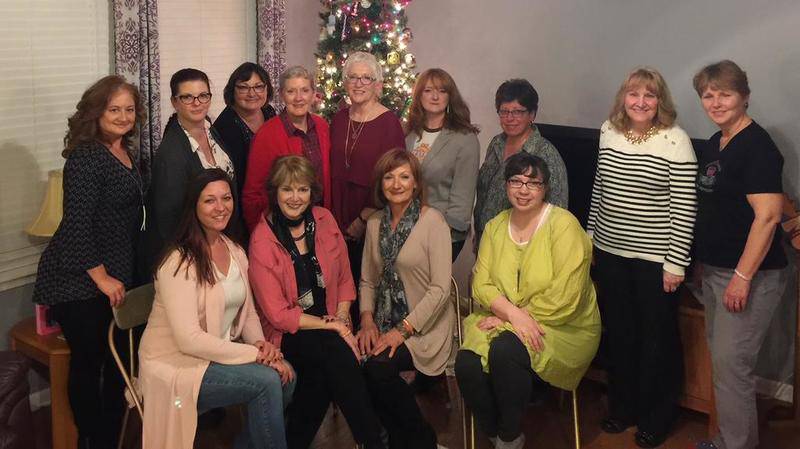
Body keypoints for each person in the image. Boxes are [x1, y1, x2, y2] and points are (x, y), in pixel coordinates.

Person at [139, 169, 295, 449]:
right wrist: (255, 354)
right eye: (209, 200)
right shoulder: (178, 262)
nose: (220, 207)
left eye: (226, 198)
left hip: (212, 357)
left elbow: (246, 312)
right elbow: (188, 339)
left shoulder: (234, 250)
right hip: (175, 365)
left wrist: (262, 345)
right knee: (267, 381)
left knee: (286, 376)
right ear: (194, 206)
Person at [455, 153, 600, 449]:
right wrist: (511, 314)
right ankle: (497, 433)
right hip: (502, 318)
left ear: (545, 187)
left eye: (533, 183)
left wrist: (515, 318)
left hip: (564, 326)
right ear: (506, 186)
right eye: (516, 181)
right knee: (466, 364)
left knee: (505, 351)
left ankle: (509, 438)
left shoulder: (564, 225)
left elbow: (567, 295)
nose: (524, 189)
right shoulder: (496, 226)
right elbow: (481, 283)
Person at [586, 67, 698, 448]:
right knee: (620, 334)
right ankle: (624, 408)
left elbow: (685, 207)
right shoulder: (608, 131)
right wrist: (590, 238)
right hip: (611, 252)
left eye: (649, 96)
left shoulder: (675, 141)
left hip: (656, 261)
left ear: (659, 101)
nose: (640, 102)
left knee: (657, 340)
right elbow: (600, 187)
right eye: (634, 94)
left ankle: (658, 416)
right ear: (624, 98)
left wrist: (675, 262)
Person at [31, 75, 144, 449]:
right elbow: (76, 226)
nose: (123, 116)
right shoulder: (86, 156)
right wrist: (102, 279)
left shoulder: (125, 150)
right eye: (114, 109)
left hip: (115, 271)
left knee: (119, 364)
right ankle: (91, 440)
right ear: (96, 112)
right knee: (89, 363)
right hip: (79, 279)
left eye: (129, 109)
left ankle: (109, 436)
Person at [249, 156, 385, 449]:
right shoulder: (263, 240)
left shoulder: (324, 219)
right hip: (288, 334)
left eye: (302, 189)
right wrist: (334, 327)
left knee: (322, 378)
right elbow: (278, 315)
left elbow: (345, 277)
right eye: (287, 190)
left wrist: (341, 315)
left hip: (332, 323)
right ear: (275, 193)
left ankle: (296, 442)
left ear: (312, 192)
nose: (295, 198)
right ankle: (373, 440)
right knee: (333, 352)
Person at [690, 60, 788, 449]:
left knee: (733, 369)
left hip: (750, 276)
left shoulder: (758, 147)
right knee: (725, 365)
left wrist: (742, 278)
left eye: (725, 94)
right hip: (715, 270)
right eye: (708, 95)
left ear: (744, 96)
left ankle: (734, 445)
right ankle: (728, 439)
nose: (716, 102)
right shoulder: (718, 141)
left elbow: (767, 217)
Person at [357, 149, 455, 449]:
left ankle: (422, 441)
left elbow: (440, 289)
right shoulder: (374, 224)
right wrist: (367, 319)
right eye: (389, 177)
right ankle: (394, 439)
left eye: (404, 176)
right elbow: (367, 280)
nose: (396, 184)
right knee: (356, 366)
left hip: (425, 326)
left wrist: (403, 330)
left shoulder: (433, 222)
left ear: (416, 183)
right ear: (381, 183)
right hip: (384, 322)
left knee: (378, 369)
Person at [138, 68, 238, 282]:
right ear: (175, 102)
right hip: (192, 257)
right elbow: (170, 220)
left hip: (218, 242)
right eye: (187, 97)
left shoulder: (210, 130)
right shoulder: (171, 152)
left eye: (203, 95)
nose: (197, 103)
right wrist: (194, 261)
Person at [330, 51, 405, 315]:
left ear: (377, 85)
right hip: (337, 213)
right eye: (353, 77)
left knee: (367, 284)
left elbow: (395, 179)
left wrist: (364, 218)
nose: (359, 83)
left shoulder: (389, 123)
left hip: (372, 216)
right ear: (345, 82)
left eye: (366, 78)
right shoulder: (339, 119)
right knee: (339, 285)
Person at [474, 79, 568, 247]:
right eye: (504, 111)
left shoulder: (545, 153)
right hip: (487, 238)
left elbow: (557, 210)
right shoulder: (496, 143)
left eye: (517, 112)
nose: (510, 118)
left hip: (522, 245)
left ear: (532, 114)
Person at [242, 66, 331, 232]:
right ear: (282, 95)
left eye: (304, 90)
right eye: (291, 91)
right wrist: (263, 233)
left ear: (313, 94)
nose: (299, 98)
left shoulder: (322, 127)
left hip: (320, 222)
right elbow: (252, 195)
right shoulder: (266, 135)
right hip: (283, 227)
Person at [405, 68, 480, 260]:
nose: (435, 96)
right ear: (419, 95)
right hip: (405, 228)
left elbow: (463, 197)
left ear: (450, 97)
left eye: (442, 91)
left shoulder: (465, 138)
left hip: (443, 233)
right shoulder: (408, 132)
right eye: (428, 90)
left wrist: (439, 234)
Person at [213, 62, 277, 200]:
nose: (252, 93)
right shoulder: (225, 126)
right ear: (232, 91)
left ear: (267, 89)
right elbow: (234, 180)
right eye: (243, 88)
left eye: (258, 87)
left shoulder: (269, 112)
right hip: (243, 199)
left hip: (273, 192)